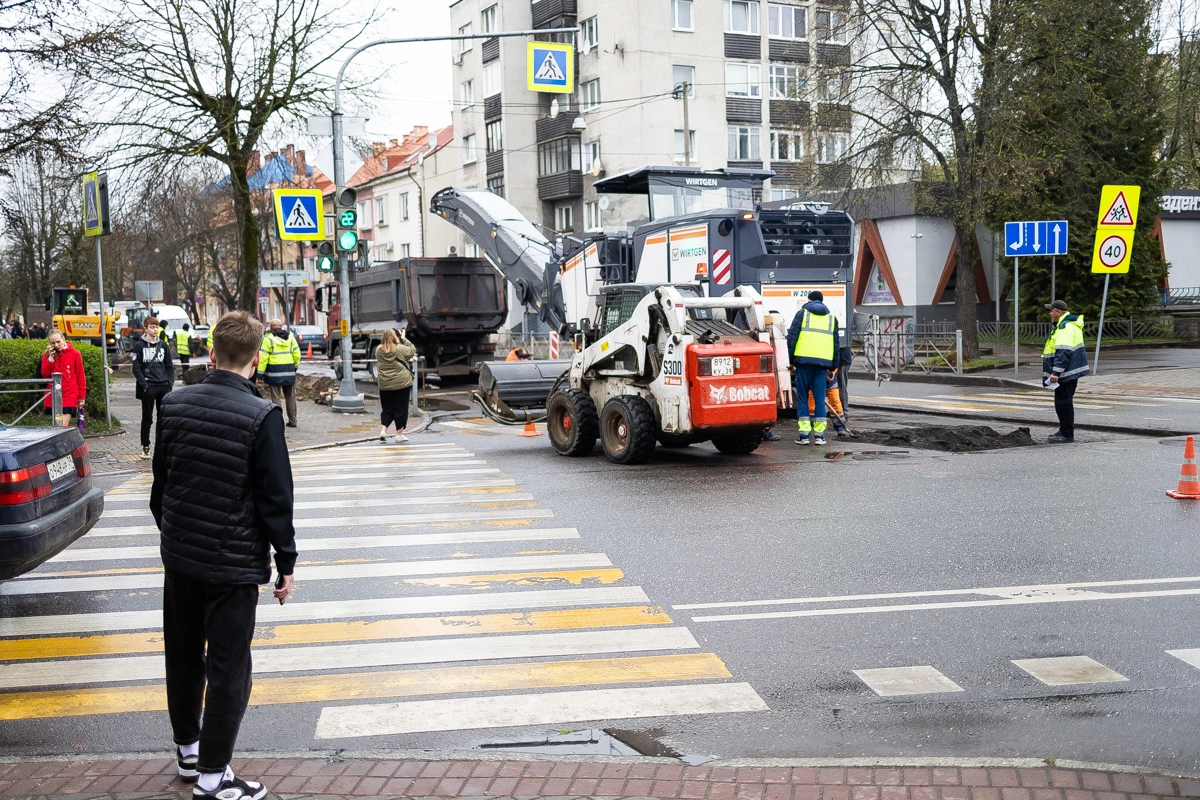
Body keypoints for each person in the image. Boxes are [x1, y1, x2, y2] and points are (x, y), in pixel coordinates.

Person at [150, 311, 296, 800]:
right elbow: (275, 498)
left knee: (184, 658)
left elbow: (161, 488)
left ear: (212, 353)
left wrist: (176, 537)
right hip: (232, 567)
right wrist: (286, 562)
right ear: (256, 360)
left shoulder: (173, 405)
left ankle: (189, 752)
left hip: (181, 560)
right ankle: (214, 777)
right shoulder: (262, 416)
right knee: (229, 668)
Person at [786, 291, 839, 446]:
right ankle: (820, 436)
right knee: (819, 400)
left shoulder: (802, 314)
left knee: (802, 398)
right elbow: (836, 345)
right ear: (822, 301)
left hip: (803, 363)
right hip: (822, 365)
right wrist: (833, 367)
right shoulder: (831, 318)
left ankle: (803, 436)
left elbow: (792, 338)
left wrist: (789, 361)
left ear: (808, 300)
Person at [1042, 299, 1089, 443]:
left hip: (1065, 373)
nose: (1050, 313)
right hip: (1070, 371)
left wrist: (1056, 372)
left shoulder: (1065, 327)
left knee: (1063, 403)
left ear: (1058, 312)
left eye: (1052, 311)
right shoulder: (1070, 325)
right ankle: (1064, 430)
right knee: (1065, 402)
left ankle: (1066, 434)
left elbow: (1063, 352)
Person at [131, 316, 175, 458]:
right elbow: (136, 368)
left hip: (163, 386)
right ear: (145, 329)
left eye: (156, 327)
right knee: (147, 418)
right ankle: (145, 446)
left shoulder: (163, 345)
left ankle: (162, 446)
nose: (155, 329)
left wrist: (170, 383)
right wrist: (144, 384)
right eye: (152, 327)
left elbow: (169, 366)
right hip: (149, 387)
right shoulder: (139, 346)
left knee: (163, 418)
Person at [256, 319, 301, 428]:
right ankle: (293, 421)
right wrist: (294, 367)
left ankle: (278, 422)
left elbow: (263, 358)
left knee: (276, 398)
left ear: (271, 328)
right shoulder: (290, 337)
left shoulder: (268, 339)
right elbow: (297, 354)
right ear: (281, 326)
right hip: (289, 371)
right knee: (290, 397)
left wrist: (260, 373)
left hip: (274, 372)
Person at [375, 328, 417, 443]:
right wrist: (403, 338)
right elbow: (412, 350)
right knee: (401, 409)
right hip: (401, 384)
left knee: (387, 408)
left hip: (385, 384)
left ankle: (383, 430)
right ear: (395, 337)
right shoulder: (400, 349)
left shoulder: (378, 350)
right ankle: (399, 435)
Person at [38, 329, 86, 427]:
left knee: (62, 426)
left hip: (69, 394)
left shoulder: (75, 353)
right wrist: (50, 360)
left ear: (63, 339)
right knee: (57, 425)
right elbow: (45, 374)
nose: (56, 345)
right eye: (53, 343)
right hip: (54, 395)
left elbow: (80, 376)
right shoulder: (47, 354)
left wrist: (81, 397)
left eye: (58, 342)